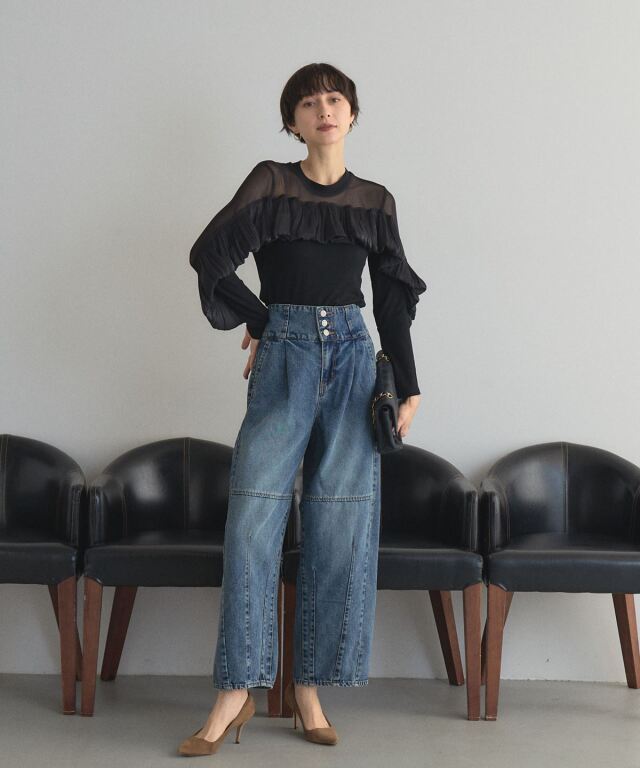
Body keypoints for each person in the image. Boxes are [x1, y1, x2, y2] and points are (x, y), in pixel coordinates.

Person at [179, 62, 426, 756]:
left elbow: (392, 300)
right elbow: (209, 256)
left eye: (335, 99)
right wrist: (263, 319)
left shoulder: (375, 201)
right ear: (292, 122)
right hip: (285, 358)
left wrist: (408, 385)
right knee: (251, 522)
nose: (325, 110)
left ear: (353, 114)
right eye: (309, 102)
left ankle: (308, 689)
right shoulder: (271, 182)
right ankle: (236, 690)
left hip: (353, 360)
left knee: (339, 524)